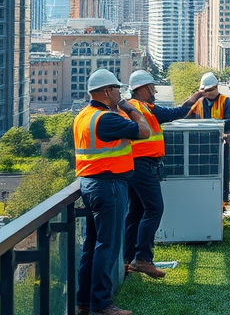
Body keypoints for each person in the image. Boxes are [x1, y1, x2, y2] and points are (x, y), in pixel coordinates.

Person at [74, 69, 152, 315]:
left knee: (92, 246)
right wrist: (129, 107)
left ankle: (84, 301)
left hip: (90, 184)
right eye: (117, 89)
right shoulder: (106, 119)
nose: (120, 93)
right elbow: (144, 131)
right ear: (108, 91)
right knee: (107, 246)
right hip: (109, 187)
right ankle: (102, 304)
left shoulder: (84, 116)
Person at [122, 70, 202, 279]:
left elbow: (176, 112)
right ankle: (142, 259)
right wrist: (198, 95)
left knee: (136, 213)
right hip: (142, 165)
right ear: (140, 89)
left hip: (136, 166)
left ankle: (126, 260)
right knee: (154, 209)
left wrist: (197, 95)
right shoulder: (141, 108)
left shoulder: (139, 108)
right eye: (151, 89)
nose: (154, 93)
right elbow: (177, 112)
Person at [186, 72, 230, 204]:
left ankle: (222, 201)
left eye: (210, 90)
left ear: (216, 87)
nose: (208, 93)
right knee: (203, 170)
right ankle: (205, 198)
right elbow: (185, 116)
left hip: (221, 143)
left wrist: (215, 126)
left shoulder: (225, 101)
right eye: (206, 91)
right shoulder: (199, 102)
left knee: (222, 171)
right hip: (201, 144)